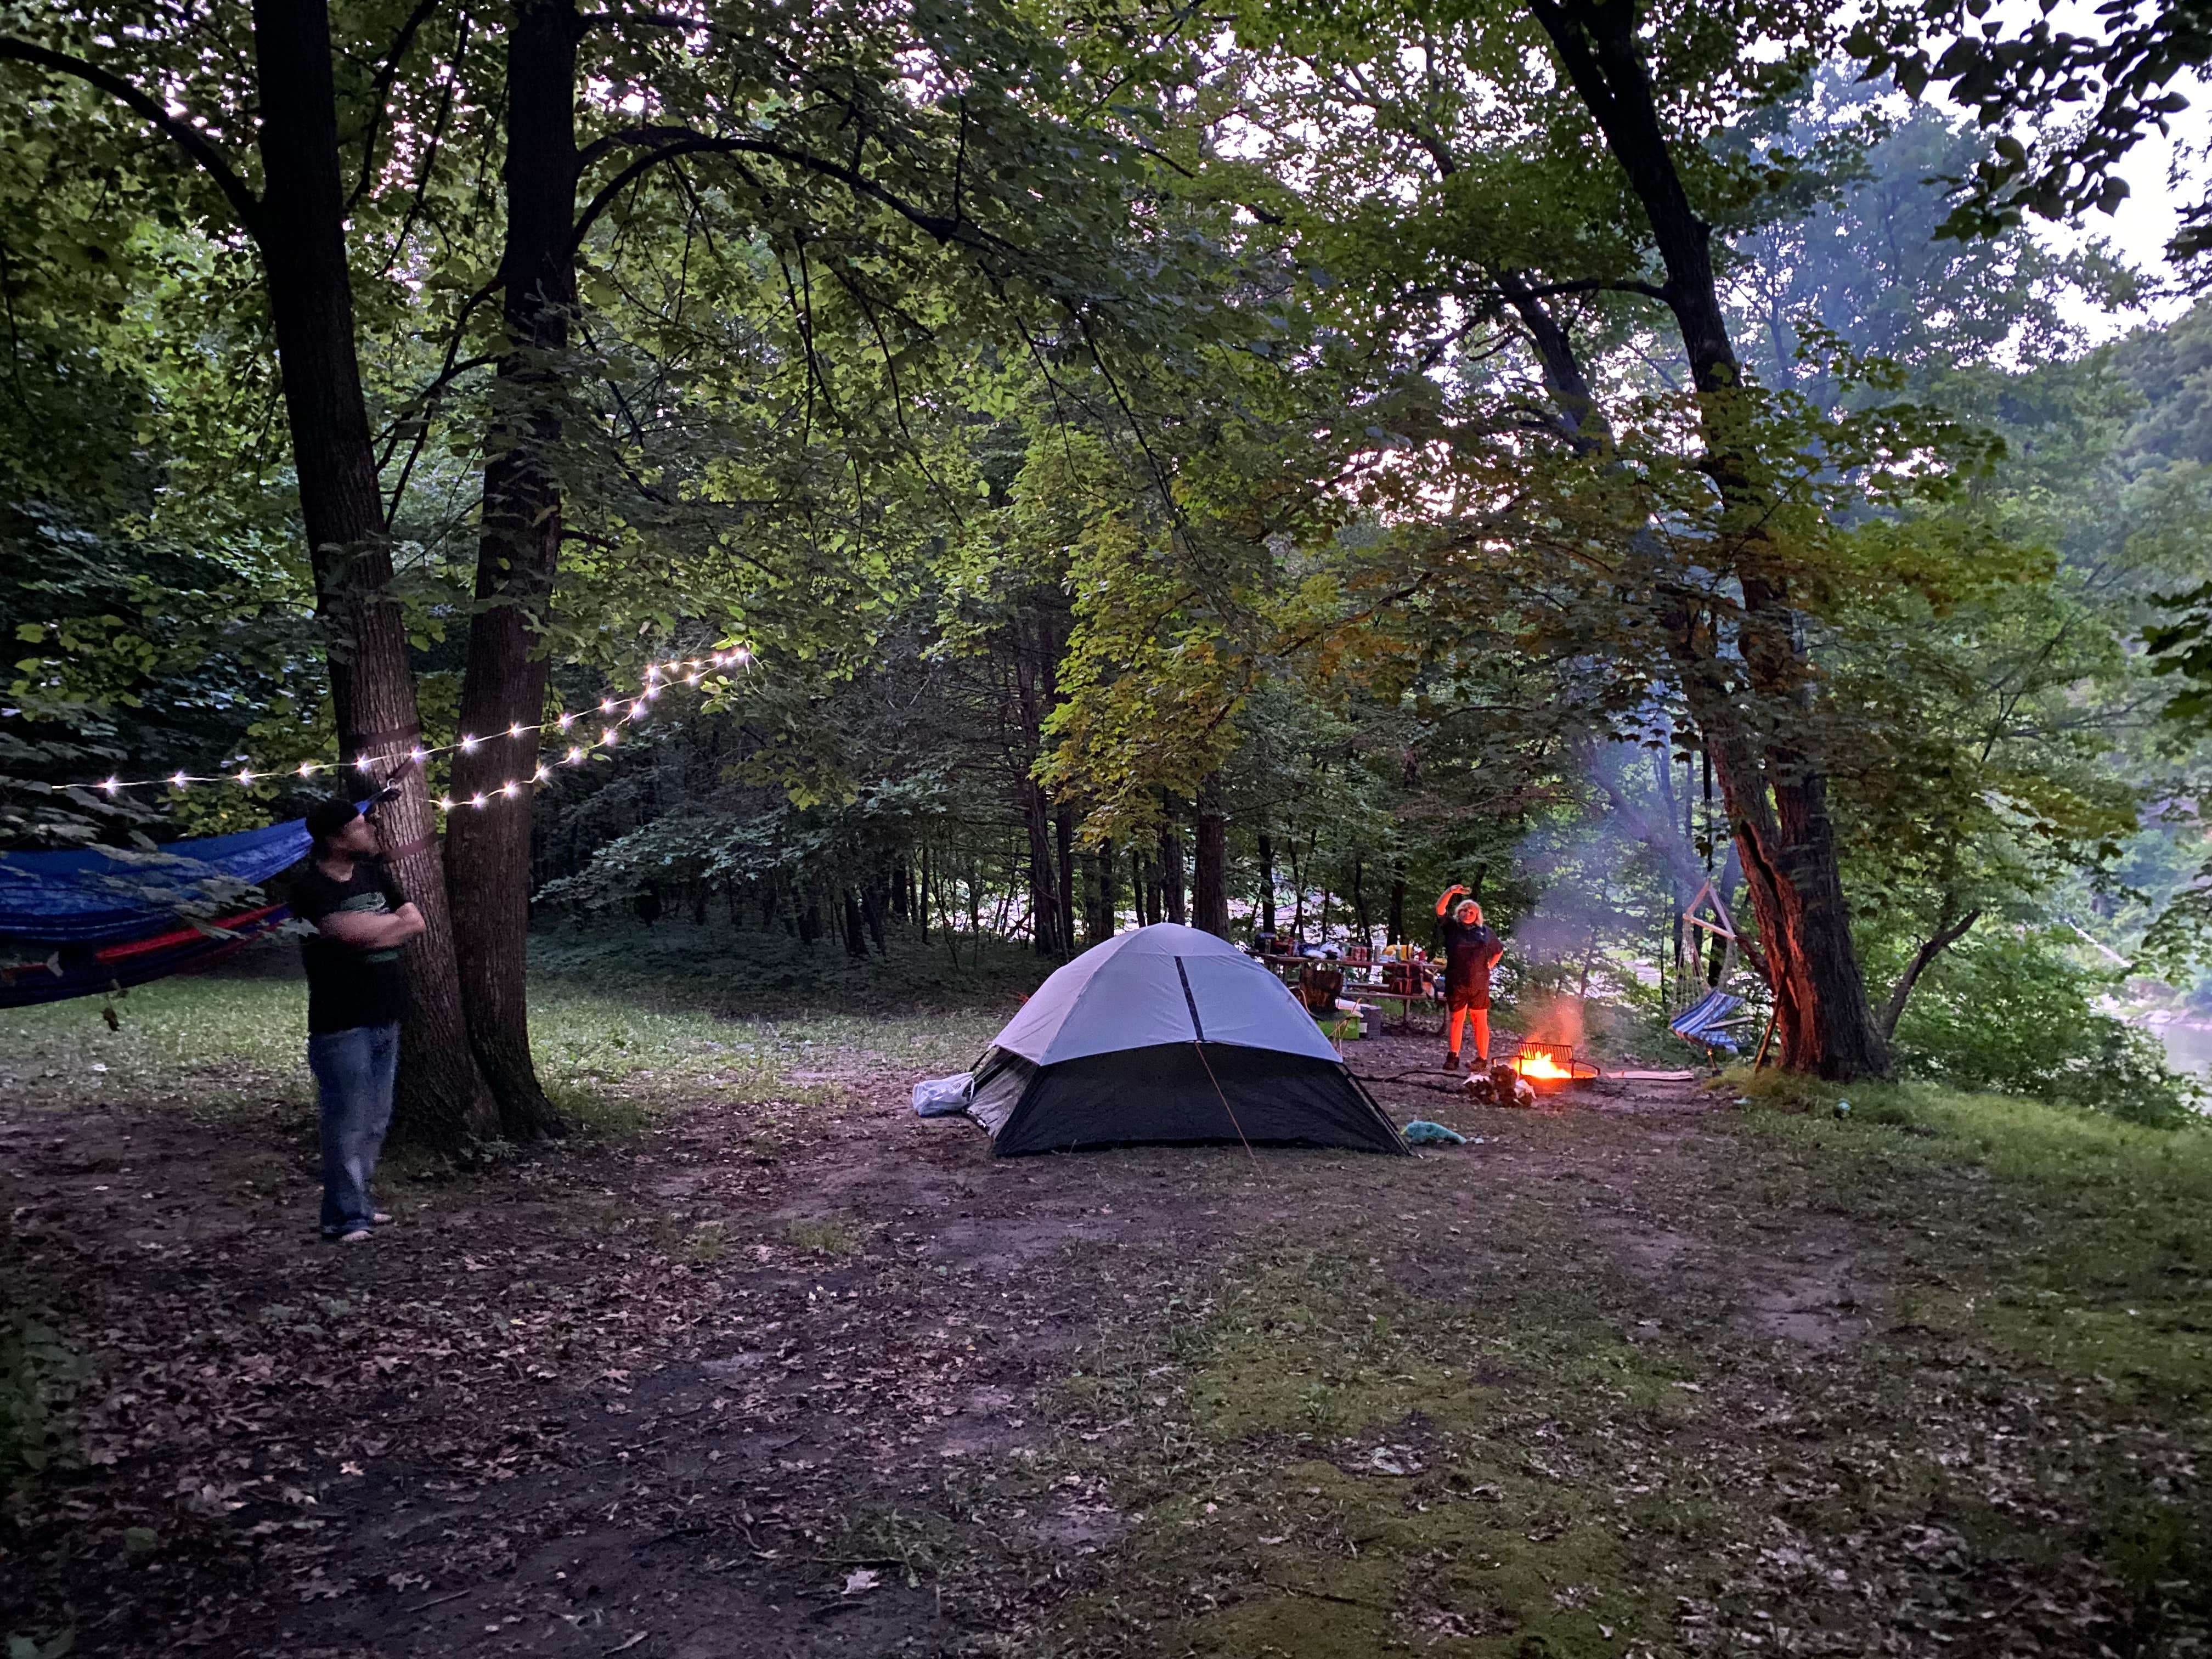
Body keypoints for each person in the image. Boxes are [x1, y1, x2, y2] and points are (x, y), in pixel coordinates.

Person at [291, 796, 425, 1243]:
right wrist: (382, 927)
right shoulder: (312, 888)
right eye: (359, 826)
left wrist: (377, 929)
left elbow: (414, 922)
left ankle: (360, 1203)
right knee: (346, 1119)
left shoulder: (373, 874)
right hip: (340, 1020)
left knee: (376, 1118)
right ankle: (345, 1217)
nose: (369, 831)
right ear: (334, 839)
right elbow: (349, 935)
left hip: (386, 1011)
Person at [1434, 884, 1504, 1071]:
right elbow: (1440, 909)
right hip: (1457, 982)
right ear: (1459, 913)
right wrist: (1450, 891)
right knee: (1457, 1020)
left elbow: (1499, 950)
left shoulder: (1485, 932)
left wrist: (1490, 966)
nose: (1467, 913)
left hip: (1479, 983)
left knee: (1479, 1021)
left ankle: (1482, 1059)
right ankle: (1453, 1055)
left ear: (1477, 915)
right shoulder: (1452, 928)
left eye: (1471, 911)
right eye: (1464, 910)